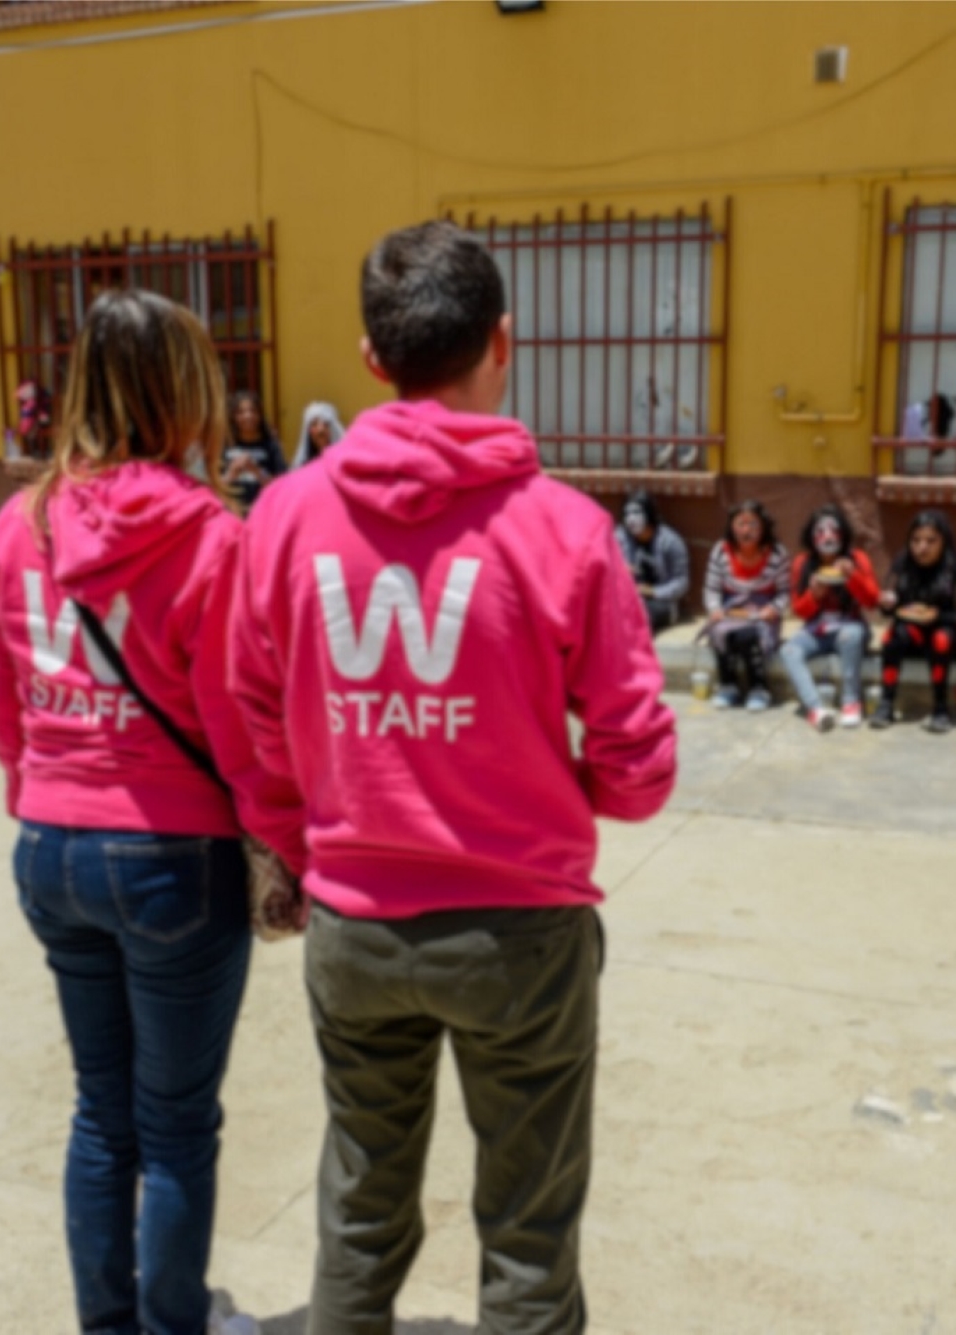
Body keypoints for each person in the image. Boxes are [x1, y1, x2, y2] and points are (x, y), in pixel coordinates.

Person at [228, 220, 677, 1335]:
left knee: (360, 1207)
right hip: (520, 934)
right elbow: (636, 764)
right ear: (504, 342)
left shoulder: (282, 516)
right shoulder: (565, 530)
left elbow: (248, 719)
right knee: (527, 1230)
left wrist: (302, 833)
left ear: (372, 358)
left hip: (353, 922)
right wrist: (547, 787)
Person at [0, 290, 299, 1335]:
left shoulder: (12, 525)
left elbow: (3, 713)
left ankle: (108, 1326)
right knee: (173, 1129)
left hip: (50, 848)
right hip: (171, 858)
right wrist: (285, 848)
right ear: (187, 392)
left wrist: (45, 804)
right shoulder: (213, 535)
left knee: (98, 1115)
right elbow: (241, 725)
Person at [780, 504, 881, 732]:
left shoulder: (858, 558)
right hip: (817, 629)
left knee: (850, 635)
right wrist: (814, 595)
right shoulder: (803, 563)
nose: (827, 536)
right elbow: (799, 609)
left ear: (843, 534)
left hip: (851, 626)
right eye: (820, 531)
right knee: (789, 650)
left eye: (833, 530)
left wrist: (852, 575)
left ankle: (851, 701)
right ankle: (816, 709)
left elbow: (872, 600)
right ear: (811, 536)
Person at [871, 508, 956, 733]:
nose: (921, 548)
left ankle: (941, 709)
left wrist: (936, 616)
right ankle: (886, 703)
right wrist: (887, 602)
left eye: (930, 541)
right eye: (915, 540)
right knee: (891, 636)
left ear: (943, 541)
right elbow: (888, 609)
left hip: (944, 633)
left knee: (941, 639)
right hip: (912, 633)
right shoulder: (903, 562)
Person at [701, 499, 791, 711]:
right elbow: (711, 588)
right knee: (720, 631)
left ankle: (759, 688)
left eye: (753, 524)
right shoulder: (720, 551)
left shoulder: (777, 554)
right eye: (741, 524)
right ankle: (728, 686)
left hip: (763, 609)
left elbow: (785, 592)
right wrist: (714, 609)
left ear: (763, 527)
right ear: (732, 527)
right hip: (730, 608)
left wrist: (774, 609)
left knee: (750, 635)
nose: (746, 530)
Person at [615, 488, 690, 632]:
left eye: (636, 512)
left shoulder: (671, 542)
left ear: (649, 513)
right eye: (627, 513)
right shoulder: (619, 538)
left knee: (638, 617)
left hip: (661, 602)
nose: (631, 519)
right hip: (627, 598)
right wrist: (619, 571)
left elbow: (681, 582)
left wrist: (653, 591)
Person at [219, 389, 287, 511]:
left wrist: (256, 470)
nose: (248, 416)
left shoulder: (271, 446)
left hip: (263, 512)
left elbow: (282, 486)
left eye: (253, 411)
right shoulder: (223, 446)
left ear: (260, 415)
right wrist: (232, 472)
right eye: (241, 412)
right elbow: (214, 488)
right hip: (232, 511)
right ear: (233, 417)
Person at [293, 400, 348, 469]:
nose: (320, 429)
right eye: (314, 424)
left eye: (326, 424)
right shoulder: (303, 463)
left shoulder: (342, 460)